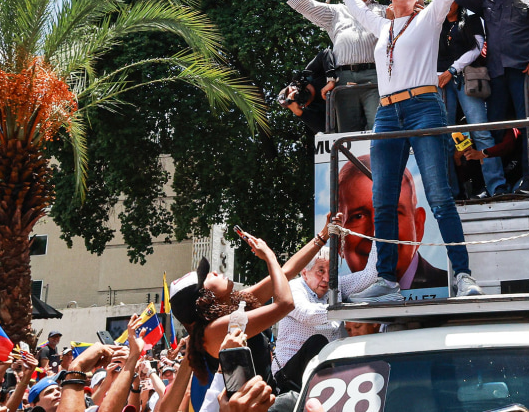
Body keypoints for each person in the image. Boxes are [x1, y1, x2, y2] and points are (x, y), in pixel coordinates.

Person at [339, 0, 512, 303]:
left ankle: (463, 275)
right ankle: (385, 279)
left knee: (438, 194)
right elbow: (353, 9)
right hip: (387, 115)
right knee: (383, 199)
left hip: (423, 108)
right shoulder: (380, 25)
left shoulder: (430, 18)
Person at [169, 225, 323, 408]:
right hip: (260, 406)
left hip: (274, 392)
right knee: (302, 400)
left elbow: (285, 273)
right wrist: (269, 256)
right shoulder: (214, 331)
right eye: (208, 277)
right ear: (202, 299)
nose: (215, 272)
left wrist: (323, 236)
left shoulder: (233, 305)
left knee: (316, 344)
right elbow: (285, 304)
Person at [455, 0, 529, 194]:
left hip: (524, 74)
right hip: (496, 77)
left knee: (528, 129)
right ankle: (498, 186)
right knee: (496, 131)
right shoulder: (487, 1)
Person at [272, 0, 384, 133]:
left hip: (376, 77)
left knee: (380, 129)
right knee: (348, 134)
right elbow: (302, 4)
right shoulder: (337, 11)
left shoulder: (386, 11)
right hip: (343, 79)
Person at [270, 245, 377, 389]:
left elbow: (369, 276)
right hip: (289, 376)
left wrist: (379, 230)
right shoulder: (292, 288)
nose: (327, 278)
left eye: (331, 272)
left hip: (327, 369)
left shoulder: (336, 285)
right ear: (304, 272)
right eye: (320, 271)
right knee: (317, 341)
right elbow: (307, 313)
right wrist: (342, 310)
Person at [337, 155, 448, 290]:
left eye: (392, 212)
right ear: (338, 238)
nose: (375, 232)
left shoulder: (447, 285)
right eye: (358, 216)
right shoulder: (332, 292)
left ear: (418, 225)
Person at [436, 0, 506, 197]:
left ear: (458, 2)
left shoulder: (472, 19)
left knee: (480, 131)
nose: (447, 2)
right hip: (439, 81)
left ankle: (497, 186)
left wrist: (452, 69)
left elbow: (477, 48)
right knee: (445, 137)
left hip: (467, 78)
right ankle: (451, 192)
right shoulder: (434, 22)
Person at [280, 48, 335, 133]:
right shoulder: (312, 111)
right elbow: (326, 131)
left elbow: (325, 53)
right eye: (292, 97)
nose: (294, 93)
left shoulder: (309, 74)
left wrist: (331, 80)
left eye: (290, 91)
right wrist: (299, 113)